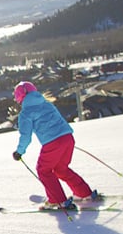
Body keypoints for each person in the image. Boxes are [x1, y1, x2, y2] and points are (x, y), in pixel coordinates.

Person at [12, 81, 99, 210]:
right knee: (61, 169)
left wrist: (19, 152)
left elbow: (26, 136)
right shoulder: (48, 105)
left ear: (19, 97)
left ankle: (57, 201)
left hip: (52, 143)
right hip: (68, 138)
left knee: (43, 170)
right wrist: (63, 139)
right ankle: (84, 193)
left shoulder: (26, 113)